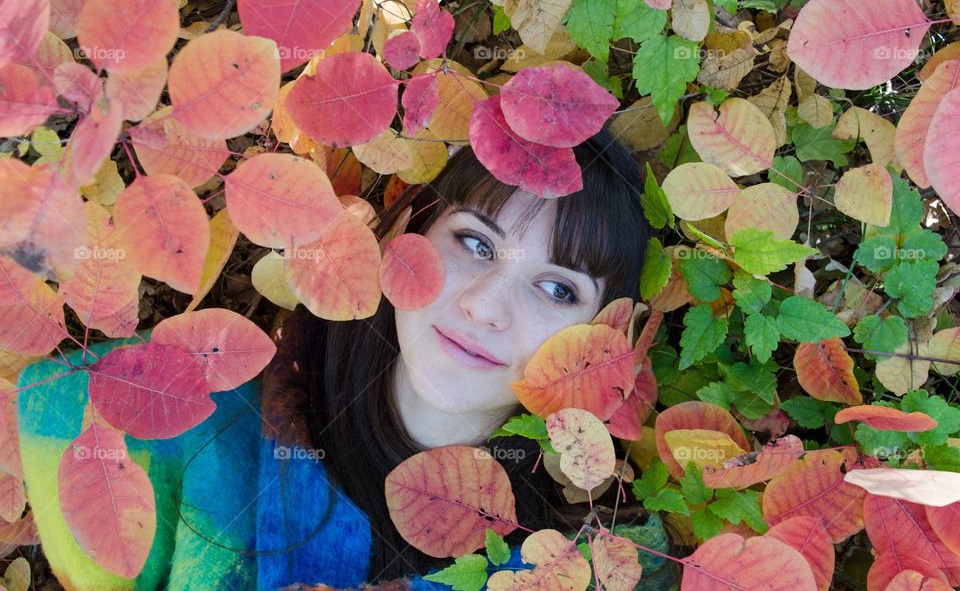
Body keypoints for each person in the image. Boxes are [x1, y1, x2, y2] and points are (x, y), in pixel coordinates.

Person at [16, 126, 658, 590]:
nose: (485, 306)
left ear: (604, 341)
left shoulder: (581, 564)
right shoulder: (183, 419)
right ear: (410, 232)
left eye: (557, 289)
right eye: (475, 243)